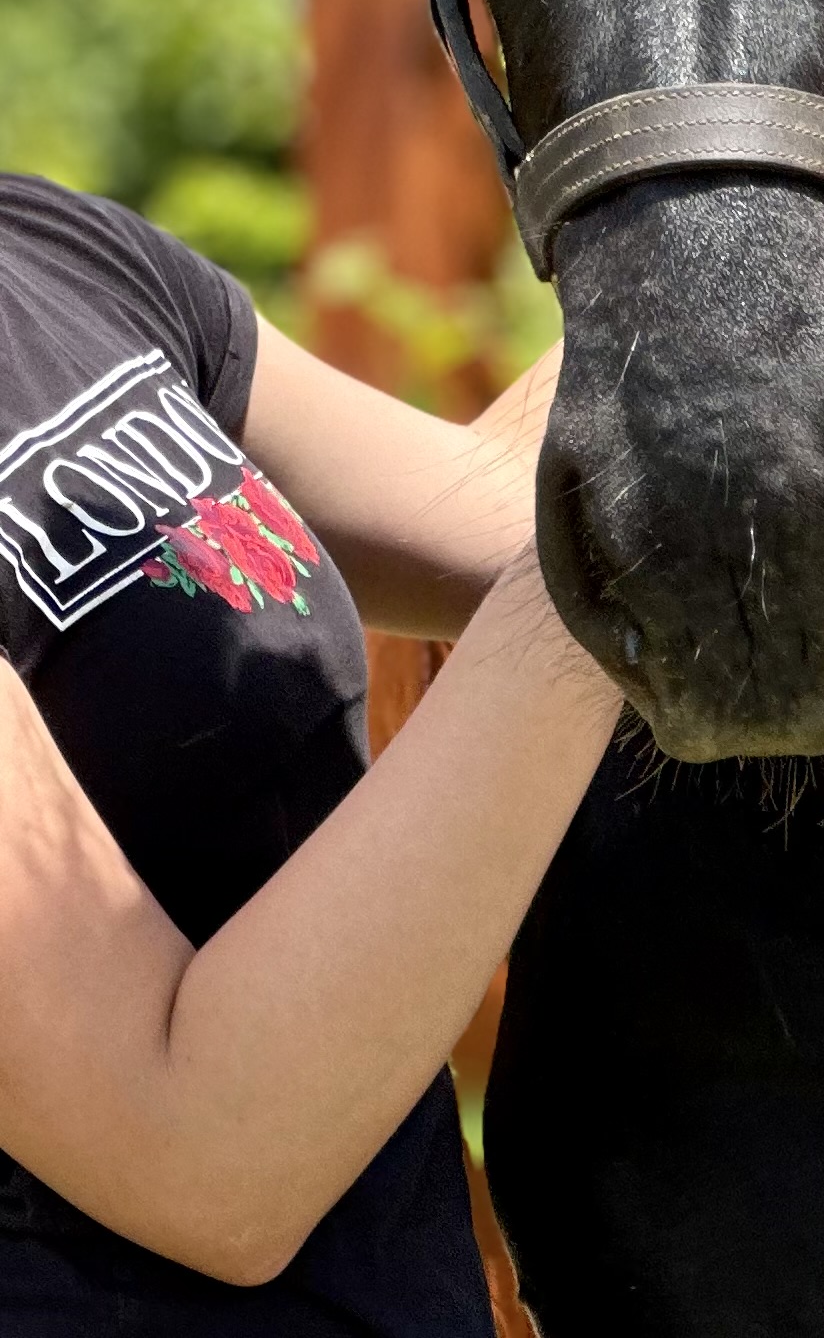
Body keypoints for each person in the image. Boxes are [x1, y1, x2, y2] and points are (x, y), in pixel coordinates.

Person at [0, 169, 621, 1332]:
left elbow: (502, 509)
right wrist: (633, 518)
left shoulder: (43, 247)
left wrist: (744, 199)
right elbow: (205, 1161)